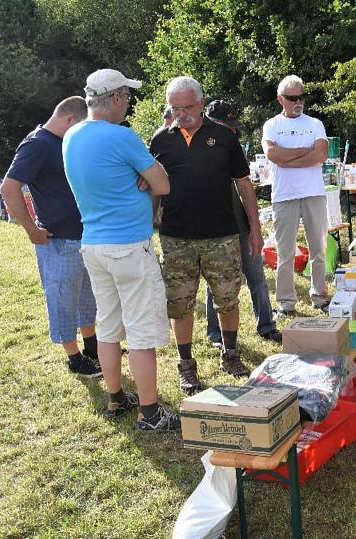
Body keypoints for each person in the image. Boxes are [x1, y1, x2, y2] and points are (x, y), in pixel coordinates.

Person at [62, 68, 179, 431]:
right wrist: (144, 177)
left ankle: (116, 397)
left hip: (94, 244)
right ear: (114, 98)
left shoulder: (71, 135)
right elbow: (163, 184)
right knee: (143, 332)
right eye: (127, 97)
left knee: (109, 327)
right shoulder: (122, 137)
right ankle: (150, 412)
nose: (129, 103)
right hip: (129, 245)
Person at [149, 77, 264, 394]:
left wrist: (255, 228)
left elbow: (243, 185)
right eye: (175, 107)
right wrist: (146, 230)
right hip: (176, 238)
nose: (181, 113)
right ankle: (186, 366)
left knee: (228, 299)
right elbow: (151, 192)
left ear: (201, 103)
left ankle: (231, 354)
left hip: (222, 237)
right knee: (180, 304)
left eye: (187, 107)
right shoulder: (160, 141)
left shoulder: (224, 137)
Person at [1, 96, 102, 378]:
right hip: (57, 239)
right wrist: (31, 229)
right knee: (62, 298)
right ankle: (73, 356)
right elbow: (9, 188)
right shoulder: (37, 144)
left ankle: (92, 344)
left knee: (87, 295)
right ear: (70, 120)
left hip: (83, 234)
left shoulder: (63, 142)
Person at [203, 99, 281, 346]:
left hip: (242, 226)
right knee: (216, 283)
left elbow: (245, 186)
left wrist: (255, 227)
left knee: (257, 276)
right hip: (216, 231)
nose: (234, 131)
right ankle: (215, 334)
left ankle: (266, 325)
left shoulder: (231, 145)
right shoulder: (198, 148)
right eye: (230, 125)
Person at [262, 75, 329, 318]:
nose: (298, 102)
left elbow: (320, 155)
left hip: (313, 194)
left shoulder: (315, 124)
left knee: (319, 248)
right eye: (292, 98)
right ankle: (286, 303)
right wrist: (304, 152)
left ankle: (320, 297)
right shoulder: (271, 125)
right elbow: (273, 155)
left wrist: (289, 157)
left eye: (301, 96)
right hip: (284, 195)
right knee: (285, 252)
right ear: (281, 99)